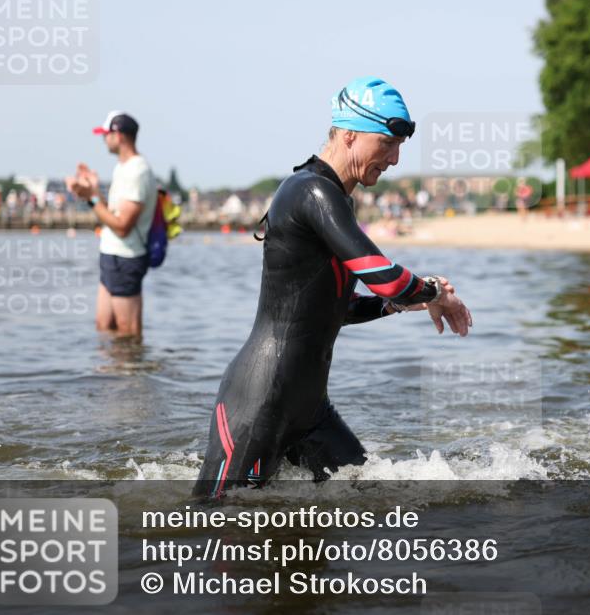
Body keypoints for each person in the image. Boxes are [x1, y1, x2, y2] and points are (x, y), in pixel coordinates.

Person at [193, 77, 473, 497]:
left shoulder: (338, 199)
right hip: (259, 402)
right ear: (349, 135)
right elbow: (383, 275)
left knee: (370, 499)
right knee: (211, 524)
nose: (395, 159)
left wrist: (399, 304)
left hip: (309, 410)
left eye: (399, 147)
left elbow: (331, 308)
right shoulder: (309, 191)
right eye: (387, 144)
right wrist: (433, 292)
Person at [66, 111, 157, 338]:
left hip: (126, 258)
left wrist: (92, 198)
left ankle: (133, 364)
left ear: (119, 135)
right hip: (111, 255)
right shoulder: (122, 167)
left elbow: (122, 226)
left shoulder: (137, 171)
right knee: (104, 328)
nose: (103, 140)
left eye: (105, 135)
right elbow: (112, 213)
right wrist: (91, 192)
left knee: (129, 334)